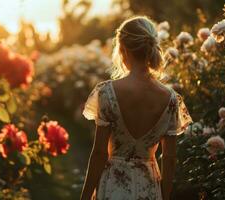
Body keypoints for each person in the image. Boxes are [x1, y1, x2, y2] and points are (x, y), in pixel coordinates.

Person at [80, 16, 193, 200]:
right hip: (148, 187)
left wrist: (84, 197)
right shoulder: (171, 100)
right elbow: (170, 158)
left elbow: (100, 153)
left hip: (112, 186)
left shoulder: (107, 93)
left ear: (123, 50)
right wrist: (163, 195)